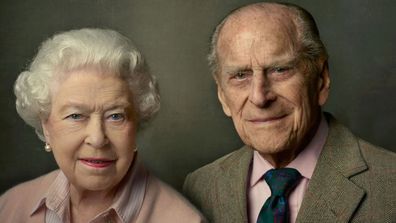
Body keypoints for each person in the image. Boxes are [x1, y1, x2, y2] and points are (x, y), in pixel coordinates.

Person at [183, 2, 396, 223]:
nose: (259, 97)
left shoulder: (390, 186)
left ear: (321, 80)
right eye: (240, 75)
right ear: (222, 95)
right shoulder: (200, 187)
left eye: (280, 70)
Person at [0, 28, 206, 223]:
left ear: (136, 124)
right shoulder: (10, 207)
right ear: (46, 126)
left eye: (116, 116)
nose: (97, 139)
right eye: (76, 116)